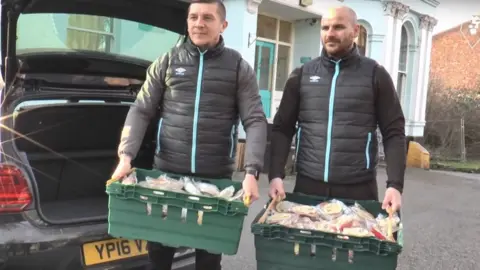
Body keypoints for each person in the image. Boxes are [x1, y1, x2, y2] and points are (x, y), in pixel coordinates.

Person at [111, 0, 268, 269]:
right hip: (167, 177)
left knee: (208, 258)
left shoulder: (238, 67)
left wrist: (252, 172)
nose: (199, 23)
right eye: (193, 17)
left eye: (207, 18)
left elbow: (254, 120)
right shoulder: (168, 60)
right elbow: (141, 110)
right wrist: (126, 156)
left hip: (215, 180)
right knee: (159, 254)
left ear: (223, 25)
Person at [268, 6, 406, 213]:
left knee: (355, 243)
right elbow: (282, 128)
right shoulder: (302, 75)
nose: (330, 33)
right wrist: (275, 175)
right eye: (325, 27)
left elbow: (394, 133)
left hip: (358, 188)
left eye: (339, 27)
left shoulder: (375, 75)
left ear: (355, 31)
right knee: (303, 244)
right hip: (308, 184)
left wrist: (395, 185)